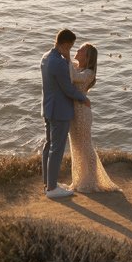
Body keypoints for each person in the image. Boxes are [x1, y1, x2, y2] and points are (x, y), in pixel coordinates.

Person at [40, 28, 88, 199]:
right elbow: (68, 89)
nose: (71, 49)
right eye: (70, 46)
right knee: (56, 149)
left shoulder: (45, 58)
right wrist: (83, 98)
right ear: (66, 44)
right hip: (60, 111)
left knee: (48, 146)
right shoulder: (59, 63)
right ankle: (52, 189)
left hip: (47, 108)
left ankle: (48, 183)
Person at [68, 42, 118, 193]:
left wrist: (65, 56)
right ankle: (80, 180)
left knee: (86, 146)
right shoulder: (77, 67)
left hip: (82, 112)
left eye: (81, 49)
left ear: (87, 56)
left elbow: (74, 77)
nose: (77, 50)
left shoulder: (89, 73)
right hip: (73, 113)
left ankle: (91, 181)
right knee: (76, 146)